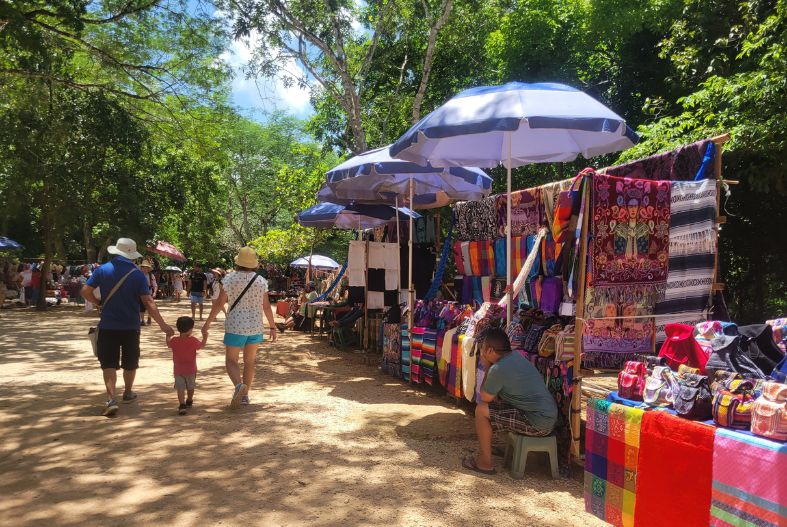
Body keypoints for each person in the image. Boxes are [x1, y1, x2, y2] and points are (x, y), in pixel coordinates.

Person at [81, 237, 174, 416]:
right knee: (130, 361)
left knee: (108, 363)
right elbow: (148, 301)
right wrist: (163, 325)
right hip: (131, 326)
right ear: (132, 254)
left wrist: (98, 303)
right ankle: (128, 392)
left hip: (107, 325)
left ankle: (110, 398)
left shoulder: (102, 270)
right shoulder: (138, 274)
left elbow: (85, 291)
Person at [462, 328, 557, 475]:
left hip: (537, 423)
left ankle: (484, 463)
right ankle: (501, 448)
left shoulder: (497, 369)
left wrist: (487, 367)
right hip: (547, 417)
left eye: (482, 350)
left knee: (481, 410)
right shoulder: (516, 356)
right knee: (498, 405)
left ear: (490, 351)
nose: (480, 354)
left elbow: (485, 398)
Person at [202, 247, 276, 409]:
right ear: (254, 264)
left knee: (231, 360)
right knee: (250, 362)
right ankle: (245, 396)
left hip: (235, 325)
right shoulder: (261, 281)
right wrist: (272, 326)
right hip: (255, 326)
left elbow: (220, 303)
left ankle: (238, 386)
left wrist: (207, 323)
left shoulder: (229, 279)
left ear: (238, 262)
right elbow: (266, 306)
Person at [166, 316, 207, 415]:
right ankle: (189, 400)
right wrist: (205, 336)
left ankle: (182, 405)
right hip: (191, 369)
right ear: (190, 330)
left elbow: (168, 343)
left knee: (180, 388)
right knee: (190, 387)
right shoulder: (192, 340)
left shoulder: (175, 340)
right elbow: (201, 346)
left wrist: (167, 336)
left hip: (178, 370)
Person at [138, 260, 158, 326]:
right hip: (140, 293)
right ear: (141, 268)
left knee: (149, 307)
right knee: (141, 307)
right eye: (143, 267)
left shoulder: (151, 276)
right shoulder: (138, 275)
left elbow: (155, 285)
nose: (145, 269)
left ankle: (149, 318)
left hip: (149, 293)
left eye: (146, 267)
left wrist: (154, 292)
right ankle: (142, 320)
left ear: (148, 269)